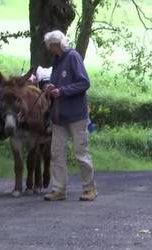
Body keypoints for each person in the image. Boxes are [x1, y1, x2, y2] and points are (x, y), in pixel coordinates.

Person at [42, 30, 97, 202]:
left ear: (57, 44)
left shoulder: (73, 57)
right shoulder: (57, 61)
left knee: (81, 152)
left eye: (50, 46)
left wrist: (62, 91)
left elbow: (84, 82)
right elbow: (59, 83)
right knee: (56, 153)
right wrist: (51, 87)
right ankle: (59, 190)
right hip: (58, 116)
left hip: (76, 115)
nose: (49, 50)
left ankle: (90, 189)